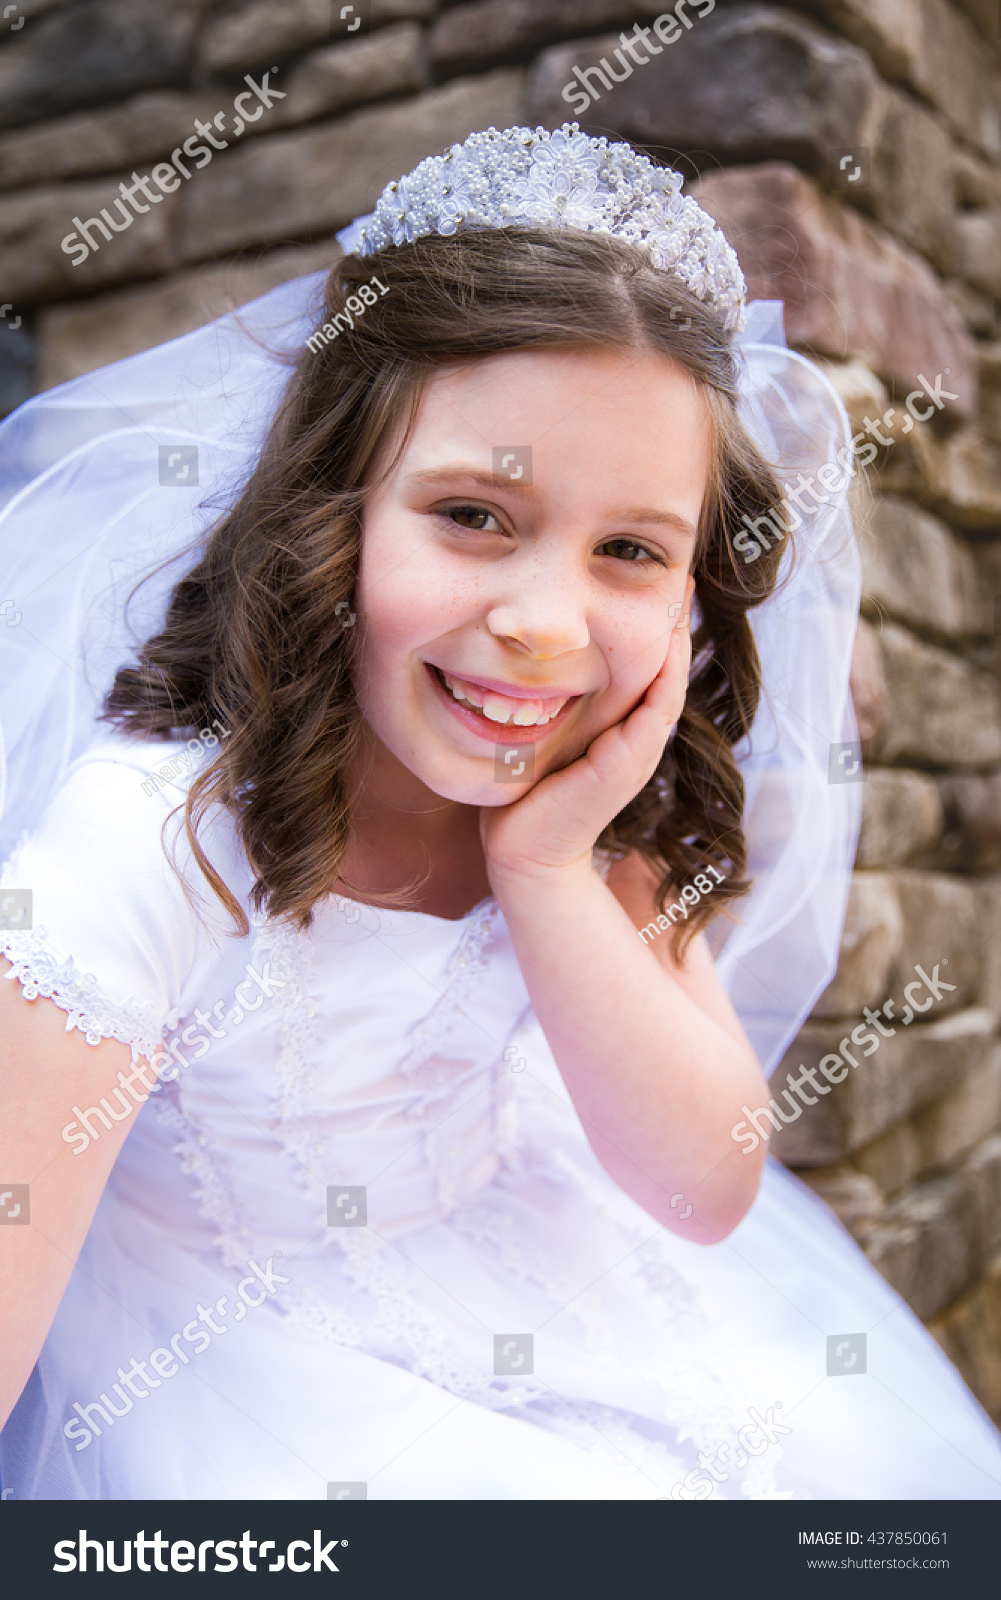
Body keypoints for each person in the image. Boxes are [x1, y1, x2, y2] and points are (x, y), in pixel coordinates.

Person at [1, 124, 999, 1501]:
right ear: (334, 511)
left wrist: (544, 868)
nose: (539, 627)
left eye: (630, 551)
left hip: (530, 1254)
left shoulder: (585, 795)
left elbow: (705, 1189)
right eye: (472, 514)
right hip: (241, 1357)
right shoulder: (153, 842)